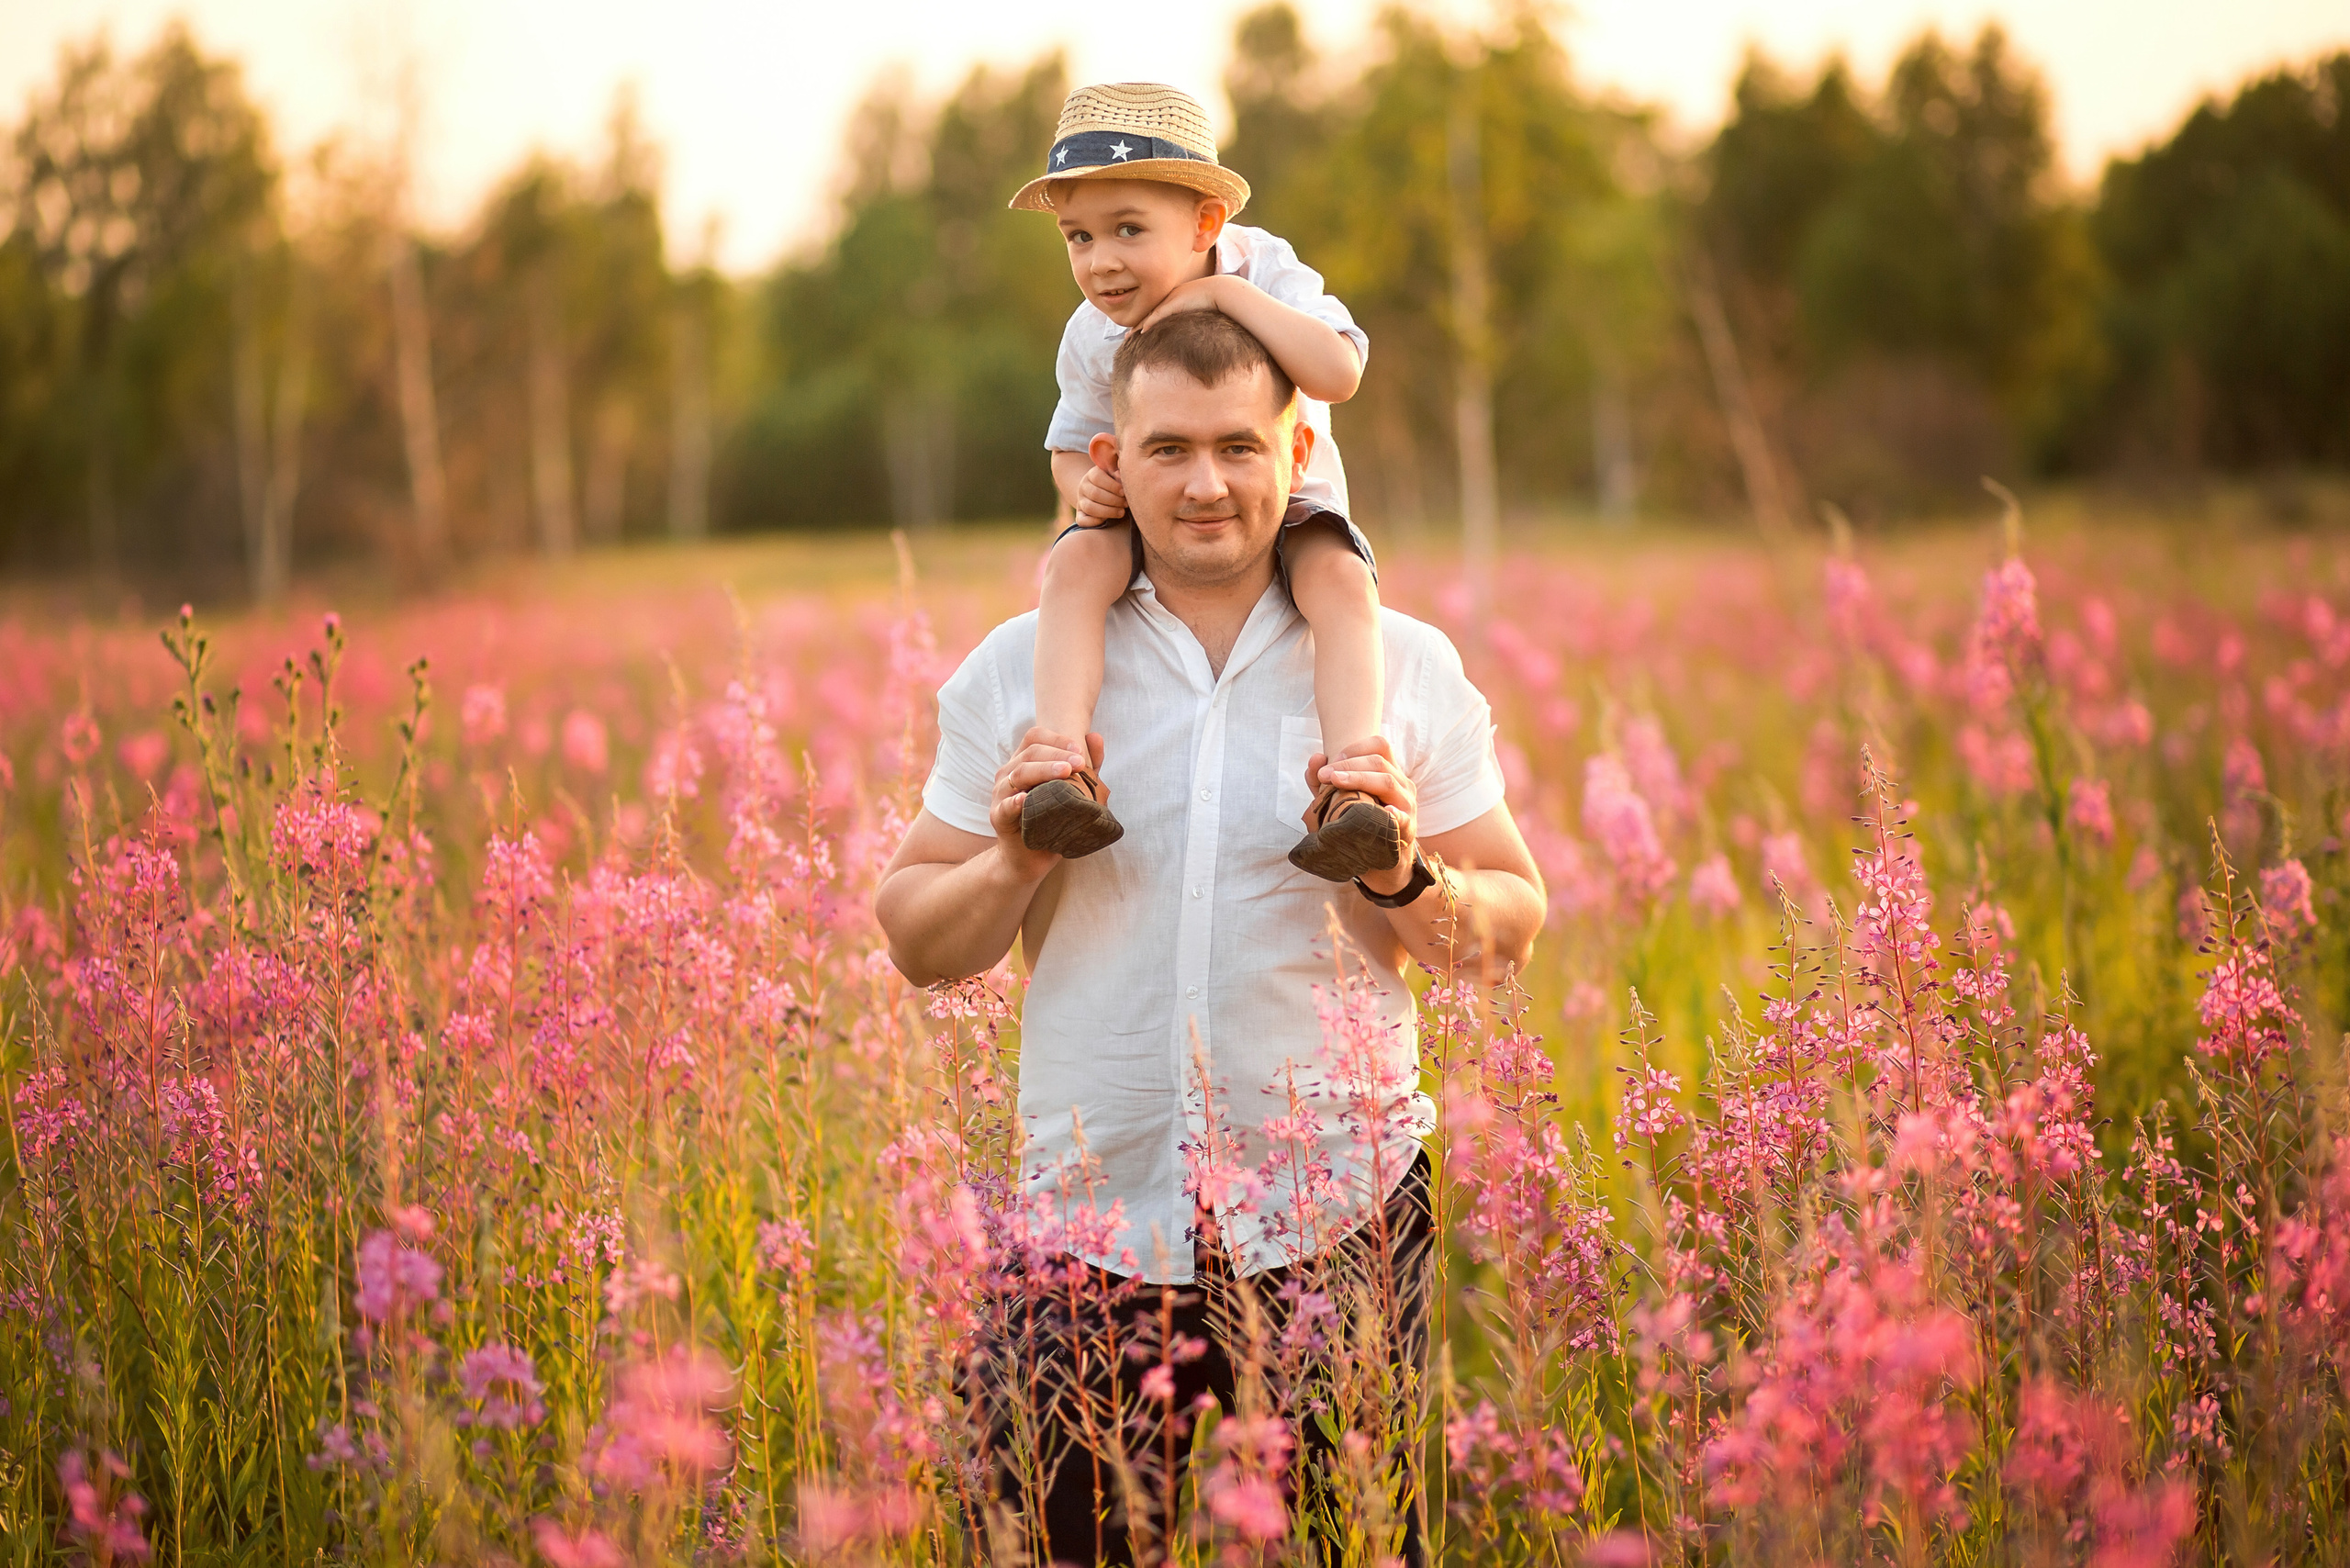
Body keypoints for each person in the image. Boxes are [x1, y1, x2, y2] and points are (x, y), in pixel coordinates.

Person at [874, 309, 1545, 1565]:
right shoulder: (1027, 673)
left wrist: (1409, 878)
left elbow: (1507, 929)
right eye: (1168, 448)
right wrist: (1017, 851)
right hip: (1086, 1227)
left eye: (1239, 445)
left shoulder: (1399, 670)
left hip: (1339, 1214)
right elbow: (915, 937)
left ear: (1299, 450)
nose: (1205, 483)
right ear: (1112, 463)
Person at [1010, 82, 1398, 884]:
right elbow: (1068, 445)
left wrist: (1223, 295)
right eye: (1077, 237)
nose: (1101, 261)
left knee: (1340, 582)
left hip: (1284, 498)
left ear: (1206, 223)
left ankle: (1353, 788)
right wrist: (1091, 490)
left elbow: (1338, 372)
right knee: (1075, 566)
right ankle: (1059, 768)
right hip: (1152, 507)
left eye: (1127, 229)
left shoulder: (1265, 270)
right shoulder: (1090, 335)